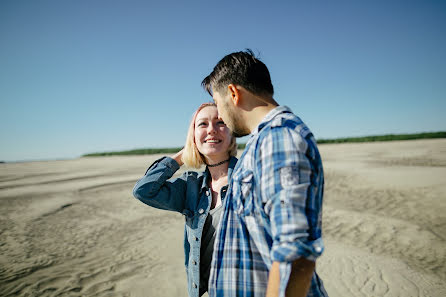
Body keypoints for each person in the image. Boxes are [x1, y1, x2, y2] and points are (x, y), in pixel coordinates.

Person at [201, 50, 328, 297]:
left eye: (218, 103)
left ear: (234, 94)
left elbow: (296, 253)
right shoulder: (262, 141)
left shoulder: (278, 138)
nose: (221, 116)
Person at [132, 102, 238, 297]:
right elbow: (143, 190)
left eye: (220, 122)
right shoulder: (191, 186)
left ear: (232, 134)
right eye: (202, 124)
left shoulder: (249, 178)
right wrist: (186, 152)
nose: (212, 130)